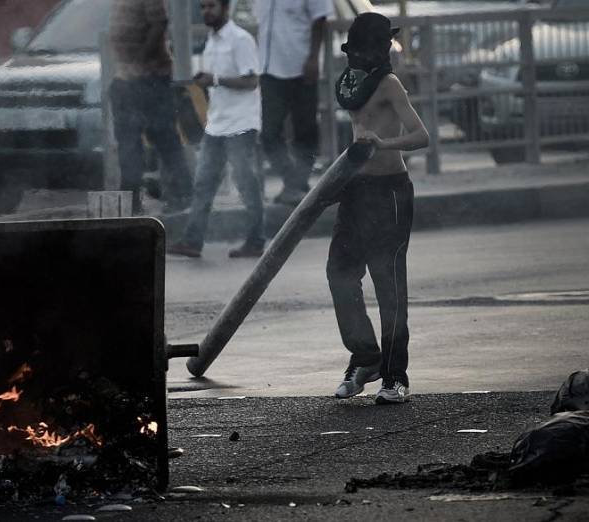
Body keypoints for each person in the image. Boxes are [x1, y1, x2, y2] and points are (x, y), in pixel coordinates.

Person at [329, 13, 429, 404]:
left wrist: (381, 143)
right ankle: (365, 357)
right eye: (351, 50)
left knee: (388, 285)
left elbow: (421, 135)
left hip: (389, 192)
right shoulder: (353, 81)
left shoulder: (389, 84)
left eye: (362, 50)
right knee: (339, 273)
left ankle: (394, 375)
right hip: (355, 190)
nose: (355, 56)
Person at [166, 0, 265, 259]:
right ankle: (192, 241)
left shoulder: (240, 40)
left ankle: (256, 241)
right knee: (203, 184)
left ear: (225, 8)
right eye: (203, 7)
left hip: (241, 124)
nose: (206, 11)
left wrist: (216, 80)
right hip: (217, 124)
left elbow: (252, 80)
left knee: (246, 183)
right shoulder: (212, 41)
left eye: (211, 6)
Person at [109, 0, 193, 214]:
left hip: (150, 78)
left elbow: (159, 23)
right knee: (128, 146)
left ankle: (180, 195)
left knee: (165, 140)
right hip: (126, 80)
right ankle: (131, 202)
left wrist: (139, 60)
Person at [255, 0, 334, 206]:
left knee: (305, 130)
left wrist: (314, 59)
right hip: (269, 68)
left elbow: (320, 20)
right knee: (268, 133)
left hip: (300, 66)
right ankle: (294, 183)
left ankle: (296, 186)